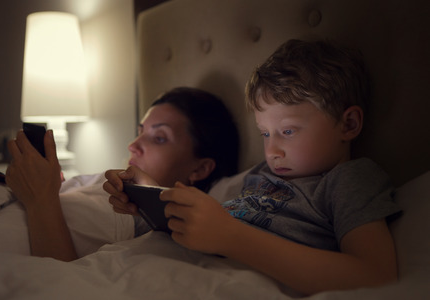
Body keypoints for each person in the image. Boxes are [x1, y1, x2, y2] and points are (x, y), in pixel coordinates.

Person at [105, 40, 401, 295]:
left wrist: (232, 237)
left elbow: (375, 276)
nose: (272, 150)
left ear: (348, 124)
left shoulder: (348, 180)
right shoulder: (260, 174)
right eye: (265, 133)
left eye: (287, 131)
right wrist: (149, 194)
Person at [5, 87, 240, 261]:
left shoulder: (144, 228)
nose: (133, 145)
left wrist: (41, 199)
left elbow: (61, 282)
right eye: (140, 132)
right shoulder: (111, 185)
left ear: (199, 168)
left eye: (159, 138)